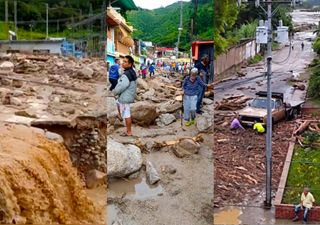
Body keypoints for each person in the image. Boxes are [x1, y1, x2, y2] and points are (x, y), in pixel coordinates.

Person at [112, 55, 137, 136]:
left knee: (127, 114)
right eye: (123, 61)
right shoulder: (132, 71)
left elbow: (122, 86)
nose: (123, 63)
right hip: (128, 95)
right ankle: (120, 115)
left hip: (125, 96)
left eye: (125, 62)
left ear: (130, 64)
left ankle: (129, 132)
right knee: (121, 107)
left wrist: (115, 92)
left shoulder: (126, 74)